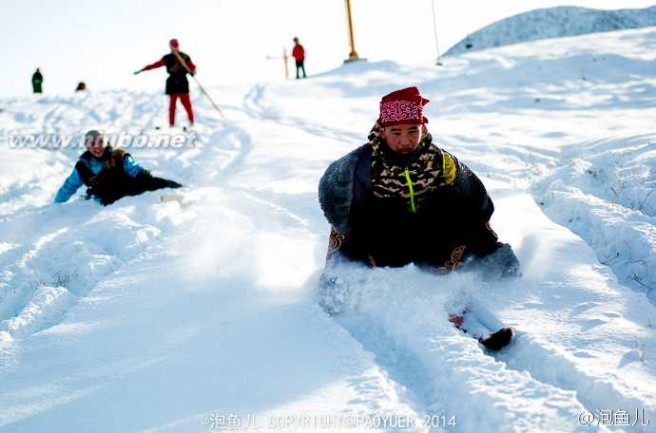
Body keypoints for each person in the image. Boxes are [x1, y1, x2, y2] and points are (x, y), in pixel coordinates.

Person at [318, 86, 520, 277]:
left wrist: (485, 244)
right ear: (383, 131)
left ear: (422, 129)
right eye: (396, 133)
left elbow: (476, 202)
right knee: (352, 222)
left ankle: (479, 272)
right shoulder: (362, 166)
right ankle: (345, 281)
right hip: (384, 246)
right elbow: (340, 213)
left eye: (412, 131)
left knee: (458, 207)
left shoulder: (441, 161)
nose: (405, 141)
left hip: (432, 244)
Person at [55, 130, 182, 205]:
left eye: (100, 142)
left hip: (129, 191)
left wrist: (154, 182)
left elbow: (137, 172)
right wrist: (56, 206)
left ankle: (179, 192)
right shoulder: (83, 166)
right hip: (106, 200)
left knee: (151, 185)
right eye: (92, 143)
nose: (97, 146)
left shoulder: (119, 156)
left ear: (106, 143)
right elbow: (69, 186)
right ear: (87, 147)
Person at [134, 39, 196, 128]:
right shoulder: (167, 58)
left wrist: (193, 71)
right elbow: (155, 65)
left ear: (178, 46)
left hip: (183, 82)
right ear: (170, 47)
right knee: (172, 106)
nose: (174, 47)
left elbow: (192, 66)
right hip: (172, 83)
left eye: (176, 45)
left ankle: (191, 122)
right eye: (173, 46)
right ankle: (172, 125)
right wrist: (142, 70)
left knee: (187, 104)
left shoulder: (185, 57)